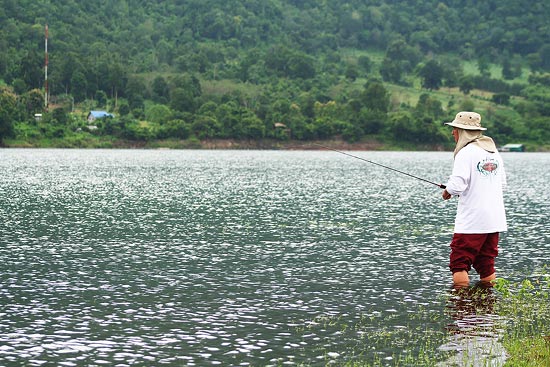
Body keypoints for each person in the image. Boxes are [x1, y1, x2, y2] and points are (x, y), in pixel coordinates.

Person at [442, 111, 507, 288]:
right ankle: (486, 311)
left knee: (459, 262)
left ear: (462, 131)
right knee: (486, 263)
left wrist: (447, 191)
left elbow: (457, 185)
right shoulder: (493, 153)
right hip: (494, 220)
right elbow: (501, 184)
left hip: (473, 221)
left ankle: (462, 311)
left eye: (454, 129)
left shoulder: (466, 152)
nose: (452, 133)